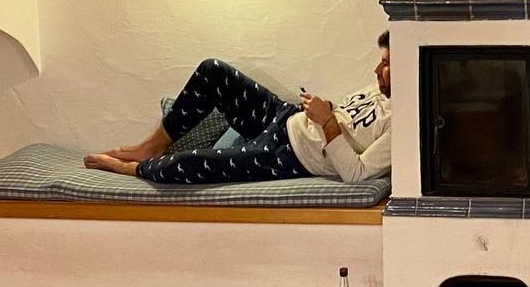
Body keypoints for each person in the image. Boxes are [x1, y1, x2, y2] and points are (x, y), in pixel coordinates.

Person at [85, 32, 391, 185]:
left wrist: (326, 122)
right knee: (213, 71)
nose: (377, 69)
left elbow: (356, 174)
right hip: (285, 116)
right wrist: (323, 110)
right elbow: (348, 121)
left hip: (288, 156)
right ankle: (150, 147)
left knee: (193, 162)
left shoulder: (403, 127)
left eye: (387, 64)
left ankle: (134, 168)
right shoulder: (380, 89)